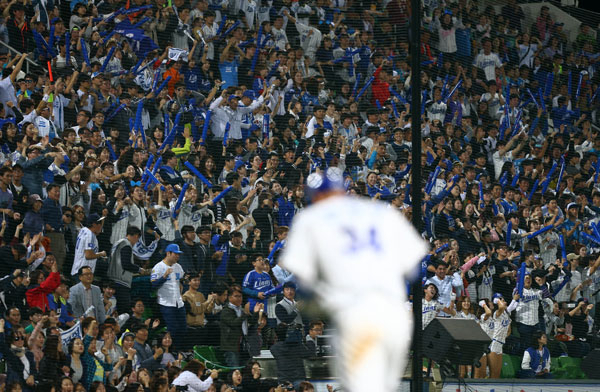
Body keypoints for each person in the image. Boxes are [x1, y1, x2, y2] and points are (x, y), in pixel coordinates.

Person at [281, 167, 428, 392]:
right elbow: (414, 270)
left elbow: (304, 283)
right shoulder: (381, 212)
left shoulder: (312, 218)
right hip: (396, 318)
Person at [151, 243, 187, 351]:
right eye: (175, 254)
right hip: (166, 303)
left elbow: (181, 279)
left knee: (183, 329)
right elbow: (153, 285)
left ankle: (179, 351)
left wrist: (184, 281)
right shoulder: (158, 267)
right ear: (168, 253)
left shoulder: (178, 266)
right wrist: (164, 276)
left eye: (178, 255)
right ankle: (171, 351)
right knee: (172, 329)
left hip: (178, 302)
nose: (177, 256)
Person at [107, 226, 144, 314]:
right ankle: (125, 329)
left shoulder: (118, 243)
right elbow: (126, 264)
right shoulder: (126, 245)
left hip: (112, 280)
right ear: (135, 236)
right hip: (121, 283)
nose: (136, 242)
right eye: (138, 238)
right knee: (125, 313)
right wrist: (139, 269)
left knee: (115, 311)